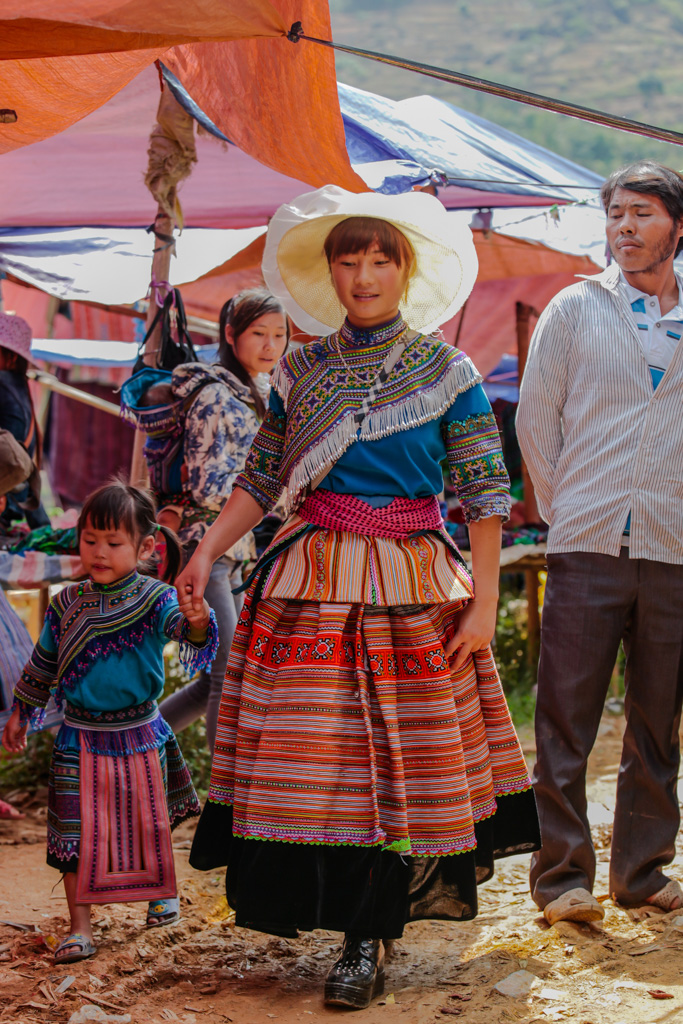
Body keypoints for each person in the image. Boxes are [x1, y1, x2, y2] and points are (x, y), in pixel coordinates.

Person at [178, 185, 540, 1009]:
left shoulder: (447, 372)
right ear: (329, 270)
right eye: (349, 258)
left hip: (411, 586)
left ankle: (367, 937)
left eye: (381, 259)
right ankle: (330, 913)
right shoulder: (300, 368)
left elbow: (486, 494)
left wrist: (483, 608)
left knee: (397, 762)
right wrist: (203, 552)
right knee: (318, 759)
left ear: (404, 269)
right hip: (308, 581)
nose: (364, 274)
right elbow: (263, 476)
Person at [517, 161, 683, 926]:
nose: (625, 225)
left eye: (643, 213)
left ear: (675, 227)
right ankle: (560, 878)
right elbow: (534, 421)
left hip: (674, 544)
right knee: (564, 715)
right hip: (585, 539)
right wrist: (568, 512)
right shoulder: (574, 308)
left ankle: (641, 872)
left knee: (657, 717)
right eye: (616, 212)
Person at [1, 481, 218, 964]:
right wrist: (21, 711)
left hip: (140, 734)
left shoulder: (156, 599)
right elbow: (42, 664)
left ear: (144, 547)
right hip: (77, 736)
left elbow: (190, 634)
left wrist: (198, 619)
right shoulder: (64, 603)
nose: (98, 552)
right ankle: (80, 927)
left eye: (113, 543)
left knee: (148, 824)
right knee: (71, 833)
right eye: (89, 539)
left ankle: (161, 893)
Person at [152, 289, 289, 751]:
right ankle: (223, 802)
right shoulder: (214, 395)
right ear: (231, 335)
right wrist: (263, 496)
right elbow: (210, 485)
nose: (271, 345)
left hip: (234, 548)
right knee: (229, 672)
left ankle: (134, 745)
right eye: (259, 334)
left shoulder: (258, 392)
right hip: (203, 546)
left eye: (279, 335)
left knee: (219, 673)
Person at [0, 313, 49, 533]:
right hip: (13, 504)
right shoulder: (20, 388)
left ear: (8, 357)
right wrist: (42, 526)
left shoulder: (3, 385)